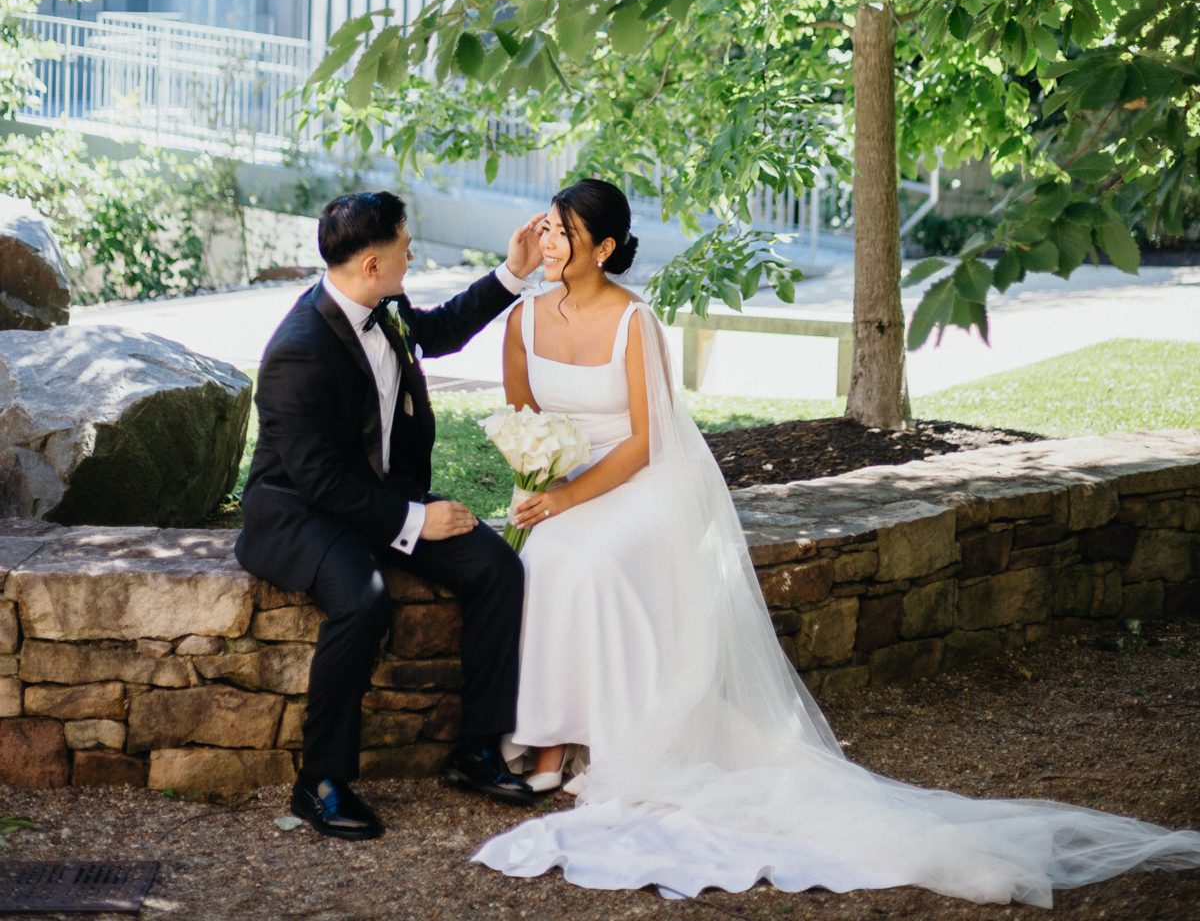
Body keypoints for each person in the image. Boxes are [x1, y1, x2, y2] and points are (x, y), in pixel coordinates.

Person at [475, 176, 1200, 905]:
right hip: (563, 481)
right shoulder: (523, 321)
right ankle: (548, 734)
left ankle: (595, 737)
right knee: (552, 551)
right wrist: (539, 481)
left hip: (637, 484)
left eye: (563, 233)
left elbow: (644, 440)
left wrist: (568, 496)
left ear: (601, 248)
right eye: (546, 227)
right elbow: (521, 417)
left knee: (587, 554)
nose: (548, 242)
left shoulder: (636, 323)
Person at [237, 189, 544, 842]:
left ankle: (478, 750)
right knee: (364, 601)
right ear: (371, 263)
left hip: (377, 494)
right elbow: (316, 479)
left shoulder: (387, 304)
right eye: (406, 246)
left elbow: (439, 331)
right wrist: (414, 523)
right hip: (303, 511)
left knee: (497, 567)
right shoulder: (299, 348)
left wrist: (513, 273)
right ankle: (321, 781)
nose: (413, 253)